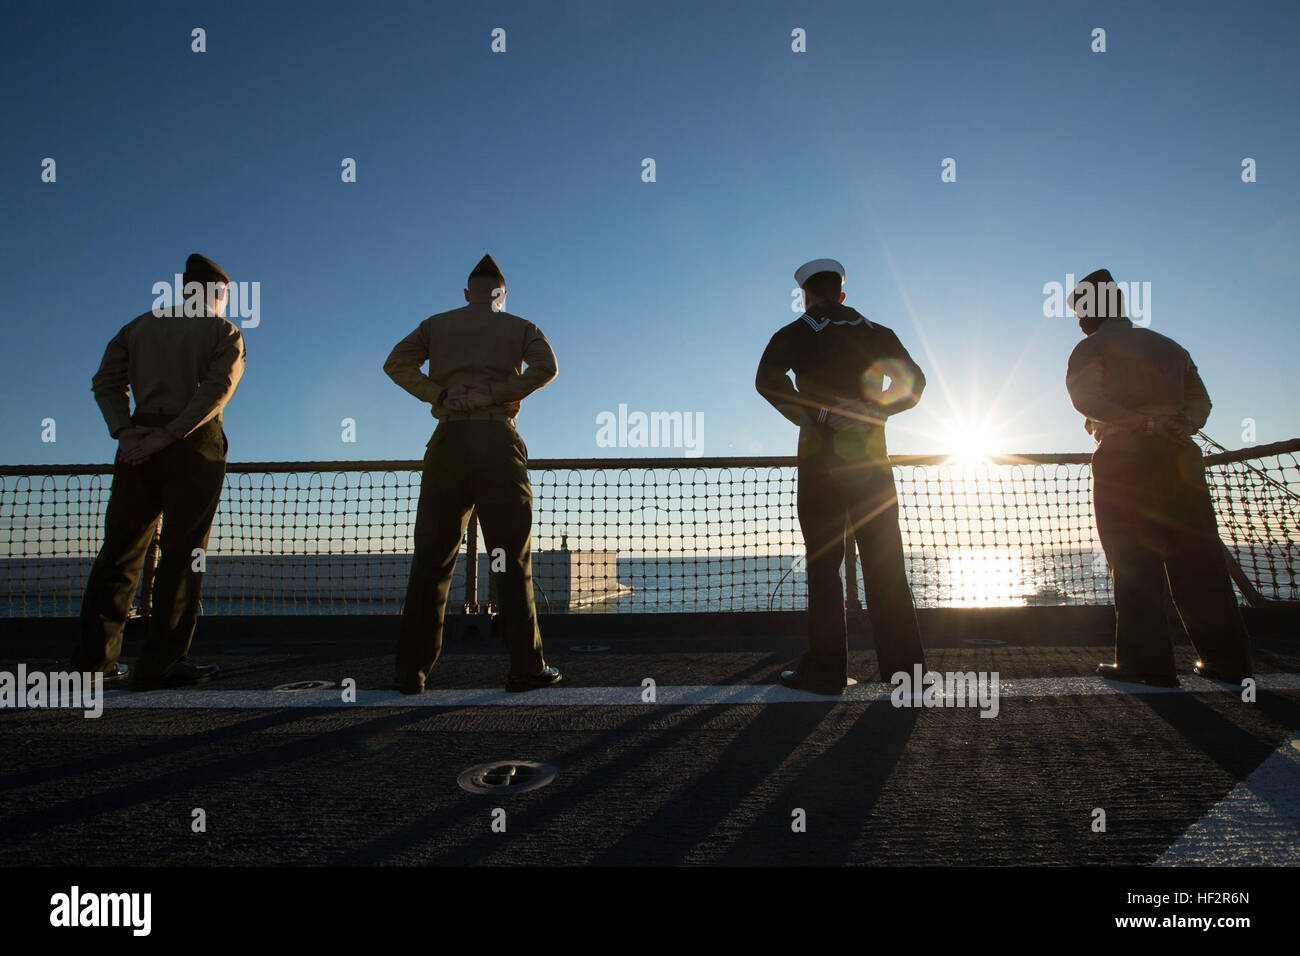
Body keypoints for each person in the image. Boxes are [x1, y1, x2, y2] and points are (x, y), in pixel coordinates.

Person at [1066, 268, 1253, 686]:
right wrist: (1183, 423)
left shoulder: (1090, 348)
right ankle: (1228, 662)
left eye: (1079, 312)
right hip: (1180, 459)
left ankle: (1146, 663)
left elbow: (1086, 400)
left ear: (1090, 312)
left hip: (1123, 460)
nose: (1078, 322)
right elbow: (1200, 400)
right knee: (1200, 559)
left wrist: (1138, 423)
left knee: (1132, 560)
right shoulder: (1170, 347)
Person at [384, 254, 560, 693]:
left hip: (448, 444)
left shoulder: (435, 325)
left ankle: (411, 674)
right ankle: (526, 667)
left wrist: (441, 393)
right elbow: (546, 369)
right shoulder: (521, 327)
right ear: (502, 294)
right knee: (512, 559)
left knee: (431, 560)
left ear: (467, 293)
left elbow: (396, 364)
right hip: (498, 442)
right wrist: (494, 393)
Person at [72, 252, 246, 691]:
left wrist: (125, 430)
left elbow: (106, 382)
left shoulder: (137, 327)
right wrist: (171, 434)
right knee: (184, 555)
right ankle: (162, 661)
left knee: (120, 552)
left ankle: (93, 663)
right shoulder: (223, 332)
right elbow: (217, 390)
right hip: (194, 446)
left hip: (138, 444)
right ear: (218, 293)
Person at [756, 258, 928, 695]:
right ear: (842, 295)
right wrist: (875, 410)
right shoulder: (877, 332)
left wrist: (818, 414)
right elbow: (914, 381)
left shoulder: (797, 331)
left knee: (824, 564)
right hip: (872, 463)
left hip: (822, 464)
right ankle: (907, 674)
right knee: (886, 562)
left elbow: (766, 379)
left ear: (807, 295)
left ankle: (826, 671)